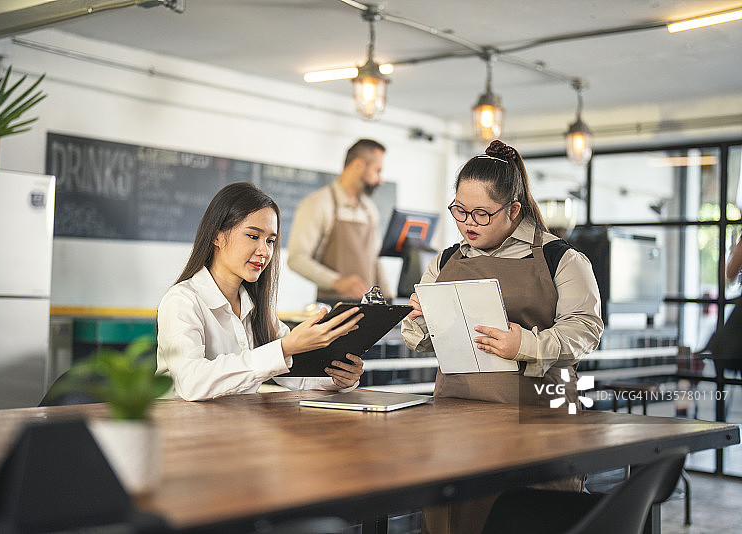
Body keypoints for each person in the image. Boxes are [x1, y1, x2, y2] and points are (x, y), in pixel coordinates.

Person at [401, 140, 603, 534]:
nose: (467, 223)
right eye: (459, 210)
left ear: (513, 210)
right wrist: (422, 319)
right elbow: (419, 339)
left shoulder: (561, 259)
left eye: (481, 213)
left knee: (529, 518)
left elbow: (586, 329)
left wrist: (525, 345)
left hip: (540, 421)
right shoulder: (444, 261)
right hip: (456, 420)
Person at [157, 182, 365, 401]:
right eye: (253, 236)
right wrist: (284, 347)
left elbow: (297, 376)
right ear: (216, 236)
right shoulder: (182, 301)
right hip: (182, 428)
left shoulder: (255, 308)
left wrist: (338, 378)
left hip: (236, 427)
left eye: (271, 241)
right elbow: (191, 382)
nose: (264, 251)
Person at [288, 139, 393, 304]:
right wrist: (336, 281)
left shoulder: (370, 210)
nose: (380, 180)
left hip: (370, 306)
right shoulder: (317, 204)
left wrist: (390, 299)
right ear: (358, 165)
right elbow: (297, 258)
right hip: (332, 307)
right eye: (377, 171)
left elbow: (376, 260)